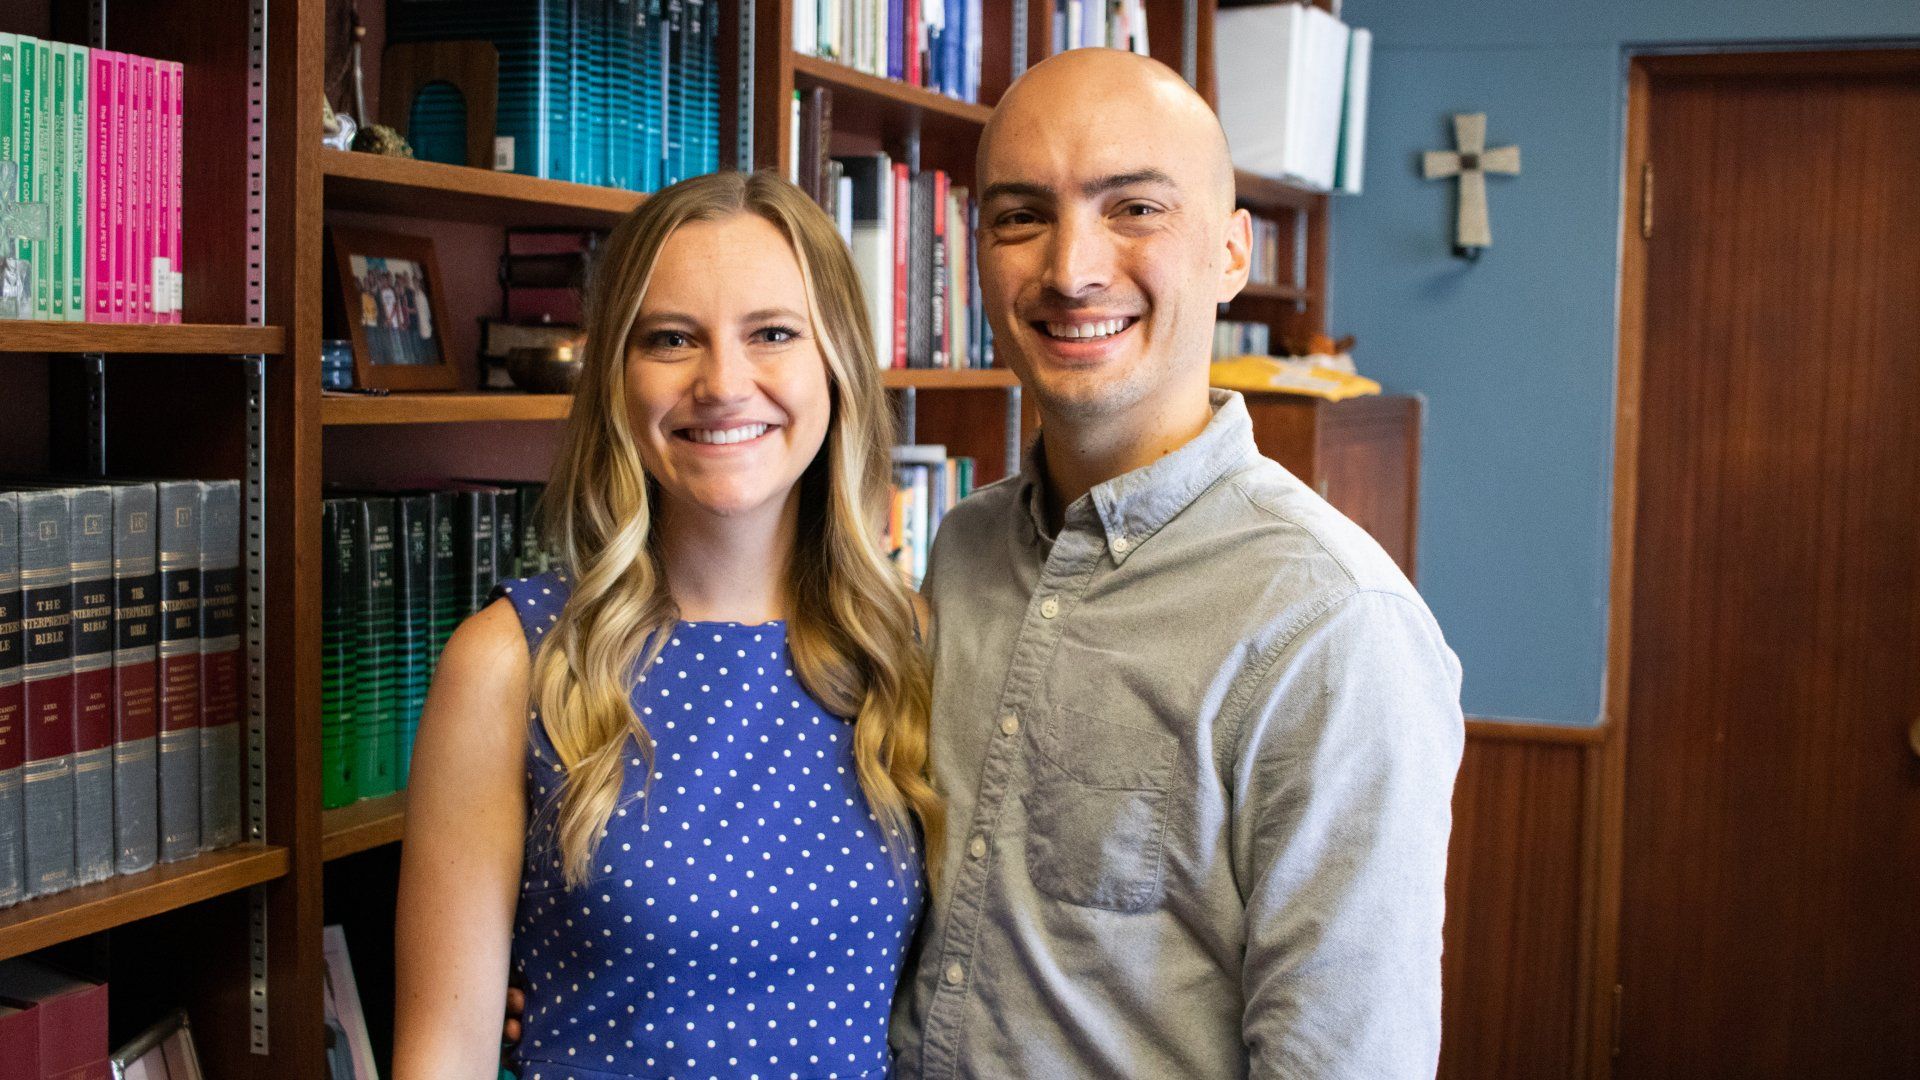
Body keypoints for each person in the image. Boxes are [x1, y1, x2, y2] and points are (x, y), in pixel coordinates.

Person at [887, 49, 1464, 1078]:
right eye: (1020, 216)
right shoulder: (964, 551)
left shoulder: (1334, 623)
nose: (1071, 270)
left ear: (1233, 251)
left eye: (1135, 209)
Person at [393, 170, 943, 1080]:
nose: (723, 383)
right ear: (617, 374)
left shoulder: (906, 647)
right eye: (671, 339)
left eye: (772, 333)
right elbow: (442, 1057)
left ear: (837, 362)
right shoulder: (510, 661)